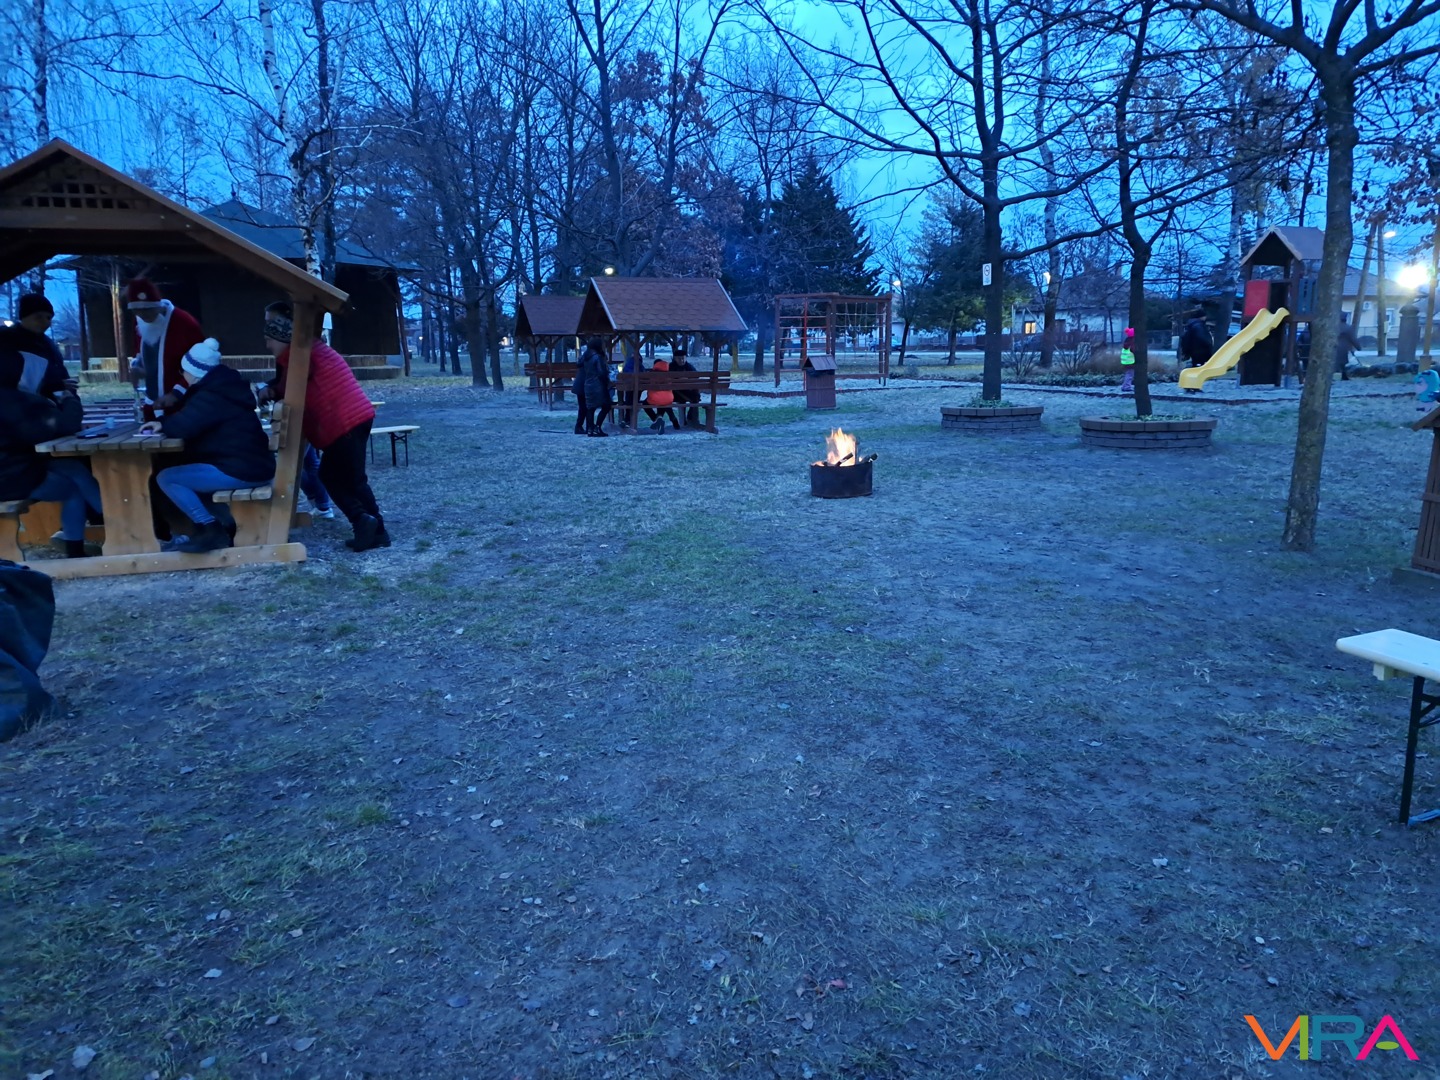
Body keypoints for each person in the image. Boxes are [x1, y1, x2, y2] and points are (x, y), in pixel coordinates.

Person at [257, 302, 389, 550]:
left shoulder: (298, 355)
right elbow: (290, 385)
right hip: (353, 418)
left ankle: (364, 522)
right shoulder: (305, 350)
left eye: (269, 340)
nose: (267, 346)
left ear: (282, 337)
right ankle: (375, 530)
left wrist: (270, 391)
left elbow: (292, 386)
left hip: (344, 421)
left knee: (340, 478)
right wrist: (273, 389)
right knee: (349, 479)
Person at [144, 339, 274, 553]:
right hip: (252, 465)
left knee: (167, 478)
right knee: (186, 474)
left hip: (241, 470)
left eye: (183, 371)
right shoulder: (223, 389)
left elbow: (184, 426)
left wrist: (161, 423)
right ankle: (225, 525)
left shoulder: (211, 395)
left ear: (194, 372)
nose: (182, 375)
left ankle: (209, 530)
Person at [0, 346, 102, 559]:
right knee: (72, 490)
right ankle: (77, 551)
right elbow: (67, 425)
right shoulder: (22, 402)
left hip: (14, 466)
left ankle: (113, 520)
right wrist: (68, 397)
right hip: (12, 479)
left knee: (73, 468)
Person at [126, 278, 204, 418]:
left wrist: (176, 393)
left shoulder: (184, 322)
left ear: (158, 305)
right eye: (137, 310)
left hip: (184, 405)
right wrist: (138, 367)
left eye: (147, 309)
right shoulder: (138, 322)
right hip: (152, 405)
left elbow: (203, 364)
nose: (143, 315)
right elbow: (139, 352)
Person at [0, 294, 73, 396]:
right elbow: (9, 385)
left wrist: (70, 397)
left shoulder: (49, 346)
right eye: (38, 317)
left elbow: (61, 377)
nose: (45, 322)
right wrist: (52, 387)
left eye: (49, 318)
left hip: (47, 404)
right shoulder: (7, 341)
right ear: (24, 317)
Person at [578, 337, 612, 436]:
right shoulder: (597, 357)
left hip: (588, 384)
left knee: (590, 408)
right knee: (606, 406)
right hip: (598, 385)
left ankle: (590, 429)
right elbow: (601, 372)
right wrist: (607, 379)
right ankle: (597, 427)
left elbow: (579, 364)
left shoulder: (586, 356)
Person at [643, 356, 681, 432]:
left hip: (655, 398)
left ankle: (656, 419)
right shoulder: (669, 374)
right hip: (668, 398)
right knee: (664, 401)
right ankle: (673, 420)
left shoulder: (651, 374)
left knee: (645, 403)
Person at [670, 345, 701, 427]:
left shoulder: (689, 367)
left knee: (696, 396)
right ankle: (688, 419)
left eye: (683, 358)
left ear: (686, 358)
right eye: (679, 358)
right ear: (675, 358)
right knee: (693, 397)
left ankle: (691, 418)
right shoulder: (670, 367)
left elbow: (696, 377)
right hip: (674, 393)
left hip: (686, 392)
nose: (682, 360)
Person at [1335, 313, 1361, 381]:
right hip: (1344, 348)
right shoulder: (1348, 328)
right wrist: (1358, 347)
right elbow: (1353, 339)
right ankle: (1344, 376)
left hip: (1334, 346)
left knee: (1336, 362)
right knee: (1343, 363)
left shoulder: (1334, 327)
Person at [1119, 327, 1136, 393]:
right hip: (1130, 362)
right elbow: (1134, 351)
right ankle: (1127, 387)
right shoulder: (1132, 343)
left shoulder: (1126, 342)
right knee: (1130, 375)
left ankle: (1124, 386)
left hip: (1125, 362)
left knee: (1127, 374)